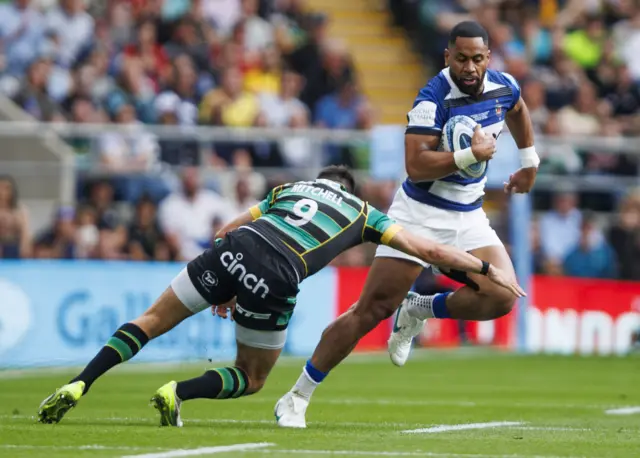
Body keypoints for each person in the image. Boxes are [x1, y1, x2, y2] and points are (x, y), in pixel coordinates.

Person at [37, 165, 524, 426]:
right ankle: (176, 393)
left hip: (233, 249)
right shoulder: (364, 213)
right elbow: (427, 247)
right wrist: (482, 267)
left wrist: (224, 281)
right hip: (276, 273)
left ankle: (80, 383)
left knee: (149, 320)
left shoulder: (287, 189)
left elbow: (229, 228)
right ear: (350, 190)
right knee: (251, 378)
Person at [275, 21, 538, 428]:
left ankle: (419, 309)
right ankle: (297, 396)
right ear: (447, 57)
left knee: (502, 296)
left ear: (488, 57)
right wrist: (472, 156)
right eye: (462, 59)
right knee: (371, 310)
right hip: (419, 214)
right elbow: (416, 167)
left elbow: (518, 108)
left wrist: (529, 161)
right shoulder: (431, 99)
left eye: (478, 59)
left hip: (469, 215)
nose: (470, 68)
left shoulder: (503, 85)